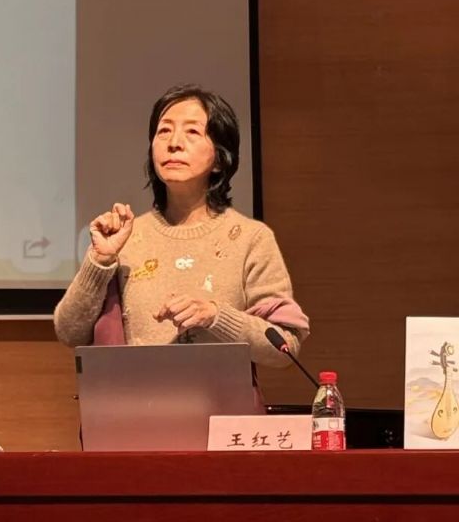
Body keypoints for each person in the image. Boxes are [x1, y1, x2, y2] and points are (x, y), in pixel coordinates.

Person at [54, 84, 309, 370]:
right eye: (164, 131)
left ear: (220, 158)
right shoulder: (127, 237)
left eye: (192, 132)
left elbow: (285, 347)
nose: (174, 143)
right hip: (139, 397)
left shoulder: (251, 239)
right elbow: (69, 332)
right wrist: (100, 260)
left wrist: (216, 316)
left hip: (221, 399)